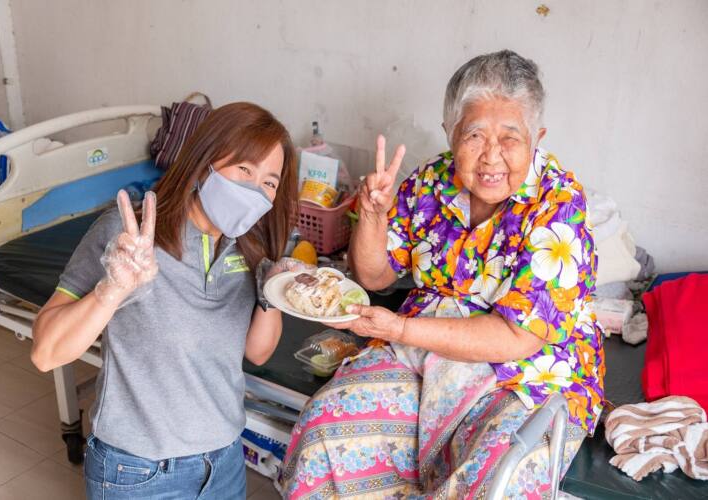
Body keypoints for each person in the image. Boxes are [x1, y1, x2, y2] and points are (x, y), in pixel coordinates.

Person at [282, 50, 605, 498]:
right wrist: (372, 216)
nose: (491, 157)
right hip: (422, 350)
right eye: (474, 135)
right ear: (450, 132)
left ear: (537, 137)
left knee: (493, 483)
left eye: (510, 138)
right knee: (324, 430)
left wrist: (400, 328)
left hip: (526, 373)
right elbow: (374, 277)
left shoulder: (559, 203)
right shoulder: (431, 181)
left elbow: (518, 337)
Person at [32, 102, 302, 499]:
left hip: (224, 460)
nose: (254, 190)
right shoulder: (131, 234)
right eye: (244, 169)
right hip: (138, 471)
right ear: (206, 161)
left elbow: (257, 353)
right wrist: (112, 289)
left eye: (269, 182)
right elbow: (46, 353)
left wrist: (272, 293)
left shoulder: (251, 246)